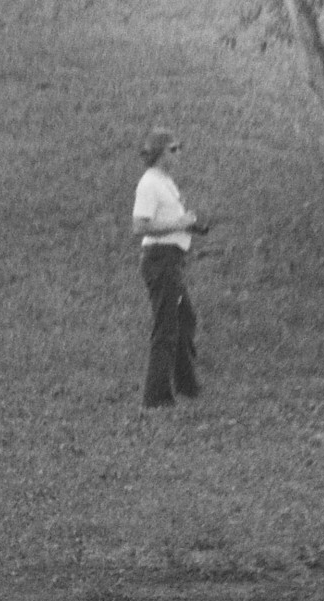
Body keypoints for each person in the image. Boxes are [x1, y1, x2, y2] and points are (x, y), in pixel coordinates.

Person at [131, 127, 208, 408]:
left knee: (185, 319)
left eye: (179, 148)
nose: (178, 154)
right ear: (159, 154)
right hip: (160, 260)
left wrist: (190, 225)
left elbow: (170, 220)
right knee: (167, 326)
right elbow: (140, 225)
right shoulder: (149, 183)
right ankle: (156, 396)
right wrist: (178, 224)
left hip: (171, 259)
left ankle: (186, 385)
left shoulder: (166, 182)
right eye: (173, 149)